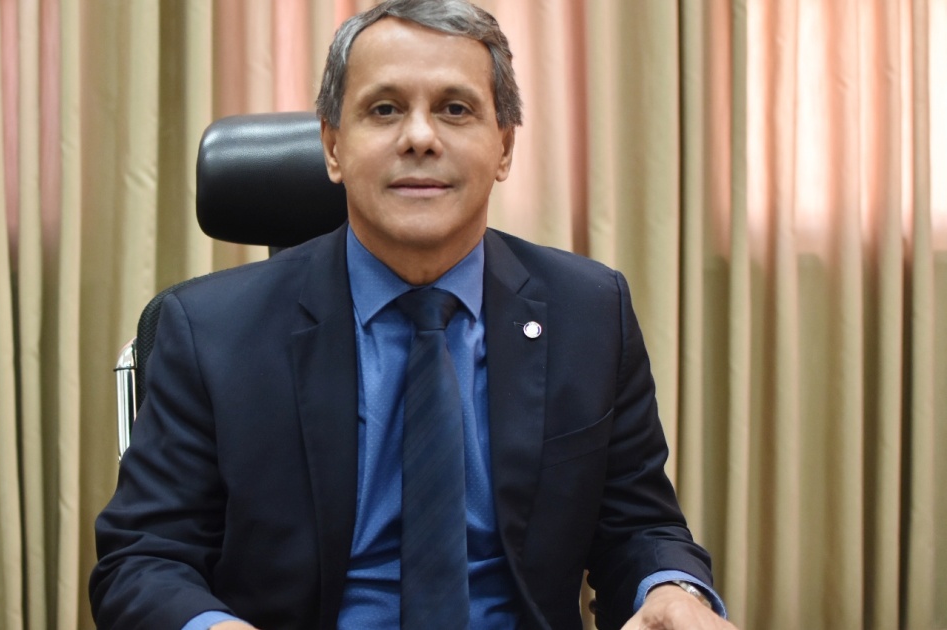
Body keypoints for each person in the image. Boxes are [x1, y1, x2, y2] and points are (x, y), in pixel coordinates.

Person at [91, 1, 737, 629]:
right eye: (385, 109)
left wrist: (672, 589)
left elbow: (638, 526)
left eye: (455, 109)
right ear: (333, 146)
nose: (420, 138)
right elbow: (143, 560)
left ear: (504, 146)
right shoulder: (210, 332)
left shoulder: (589, 312)